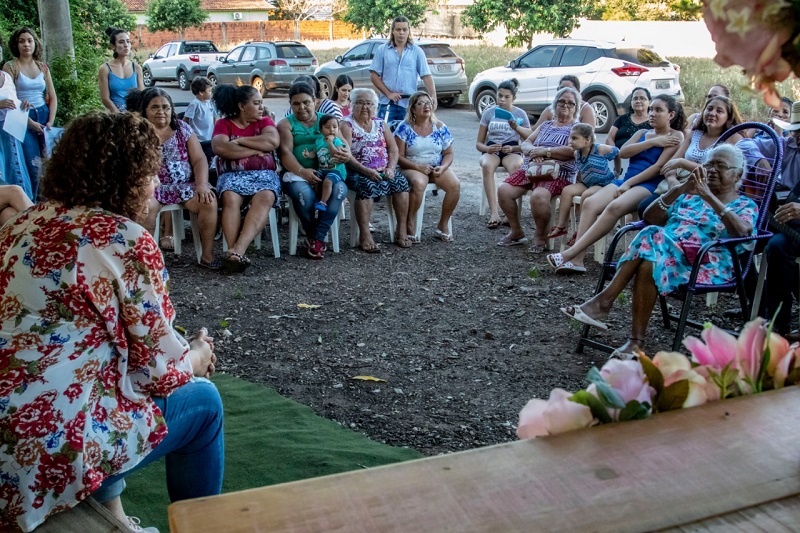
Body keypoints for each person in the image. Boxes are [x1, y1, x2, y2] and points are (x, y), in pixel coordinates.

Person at [0, 111, 222, 533]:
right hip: (41, 444)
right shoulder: (124, 238)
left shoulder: (21, 225)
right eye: (150, 174)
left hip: (12, 416)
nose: (156, 183)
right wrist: (195, 357)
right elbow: (159, 371)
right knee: (204, 403)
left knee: (102, 379)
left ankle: (115, 516)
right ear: (129, 177)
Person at [560, 144, 757, 358]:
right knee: (649, 257)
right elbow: (651, 217)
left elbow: (744, 232)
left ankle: (604, 302)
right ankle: (635, 343)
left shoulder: (745, 205)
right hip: (666, 255)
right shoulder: (689, 196)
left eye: (720, 165)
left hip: (705, 263)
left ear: (737, 174)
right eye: (709, 164)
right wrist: (679, 190)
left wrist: (709, 197)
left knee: (654, 238)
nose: (712, 170)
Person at [546, 95, 685, 273]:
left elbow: (658, 167)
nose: (652, 113)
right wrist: (653, 142)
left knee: (614, 207)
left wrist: (629, 184)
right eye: (651, 109)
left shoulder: (676, 136)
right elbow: (624, 152)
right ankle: (577, 261)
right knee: (590, 203)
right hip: (625, 181)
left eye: (659, 110)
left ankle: (570, 253)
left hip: (647, 184)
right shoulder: (642, 133)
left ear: (671, 114)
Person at [126, 88, 220, 270]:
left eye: (165, 107)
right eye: (154, 107)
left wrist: (201, 184)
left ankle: (207, 256)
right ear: (144, 109)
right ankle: (146, 261)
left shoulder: (182, 128)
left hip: (184, 185)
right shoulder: (138, 132)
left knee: (208, 200)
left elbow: (200, 159)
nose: (161, 111)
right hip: (152, 187)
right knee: (145, 207)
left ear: (171, 110)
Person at [496, 87, 580, 252]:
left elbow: (573, 151)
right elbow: (527, 141)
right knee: (504, 190)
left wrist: (546, 152)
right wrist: (532, 151)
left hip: (558, 173)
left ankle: (540, 236)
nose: (566, 105)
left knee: (539, 196)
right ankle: (517, 232)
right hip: (532, 169)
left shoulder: (576, 128)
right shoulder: (546, 125)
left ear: (576, 108)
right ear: (555, 104)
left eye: (571, 103)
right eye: (562, 101)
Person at [211, 84, 281, 271]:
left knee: (266, 195)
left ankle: (238, 250)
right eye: (256, 103)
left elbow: (272, 141)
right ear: (242, 106)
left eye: (261, 103)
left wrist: (240, 141)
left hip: (264, 175)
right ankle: (234, 254)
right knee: (229, 197)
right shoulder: (224, 124)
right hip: (232, 175)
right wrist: (257, 149)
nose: (261, 107)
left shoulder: (264, 121)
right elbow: (221, 148)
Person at [278, 82, 349, 259]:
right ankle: (315, 237)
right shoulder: (286, 124)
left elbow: (345, 144)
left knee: (339, 191)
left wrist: (345, 154)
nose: (302, 107)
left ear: (314, 100)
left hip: (330, 172)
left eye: (306, 102)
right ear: (290, 104)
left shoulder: (327, 120)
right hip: (297, 174)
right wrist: (303, 172)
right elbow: (285, 154)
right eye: (296, 103)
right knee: (305, 196)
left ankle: (316, 238)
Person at [340, 87, 410, 251]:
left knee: (401, 183)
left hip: (383, 170)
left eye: (369, 103)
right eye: (360, 103)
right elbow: (346, 155)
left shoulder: (381, 124)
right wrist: (365, 170)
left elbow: (393, 150)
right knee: (365, 186)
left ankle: (401, 229)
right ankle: (365, 234)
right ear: (352, 105)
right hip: (357, 171)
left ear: (375, 107)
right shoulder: (346, 124)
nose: (365, 107)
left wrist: (391, 168)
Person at [395, 91, 460, 241]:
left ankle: (442, 224)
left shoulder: (440, 127)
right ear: (412, 108)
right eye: (421, 103)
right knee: (419, 182)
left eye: (428, 103)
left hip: (436, 166)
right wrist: (417, 167)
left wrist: (443, 167)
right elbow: (398, 156)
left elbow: (449, 153)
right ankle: (409, 221)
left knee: (454, 185)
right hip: (410, 166)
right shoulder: (404, 127)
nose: (426, 106)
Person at [3, 27, 57, 198]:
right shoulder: (10, 66)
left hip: (44, 115)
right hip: (23, 117)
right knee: (31, 164)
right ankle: (31, 204)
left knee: (49, 163)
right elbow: (8, 96)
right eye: (22, 41)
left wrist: (50, 123)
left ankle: (47, 202)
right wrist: (30, 122)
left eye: (29, 40)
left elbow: (53, 97)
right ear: (16, 45)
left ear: (35, 43)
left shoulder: (43, 67)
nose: (26, 44)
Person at [546, 122, 619, 241]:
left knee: (586, 195)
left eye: (574, 138)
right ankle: (561, 226)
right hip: (587, 183)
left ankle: (581, 231)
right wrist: (580, 178)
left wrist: (617, 171)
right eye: (570, 137)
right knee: (567, 190)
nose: (570, 141)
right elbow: (581, 167)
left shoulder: (599, 149)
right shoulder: (577, 153)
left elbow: (617, 152)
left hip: (603, 184)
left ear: (587, 139)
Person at [475, 78, 529, 229]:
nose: (502, 100)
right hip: (492, 148)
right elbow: (479, 144)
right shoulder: (489, 113)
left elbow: (529, 142)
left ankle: (510, 212)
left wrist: (514, 148)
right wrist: (487, 149)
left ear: (513, 98)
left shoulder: (520, 114)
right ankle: (494, 212)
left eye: (506, 97)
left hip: (511, 149)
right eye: (500, 96)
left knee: (516, 167)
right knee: (486, 165)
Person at [370, 16, 436, 122]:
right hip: (387, 104)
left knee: (407, 136)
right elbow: (374, 75)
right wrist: (389, 94)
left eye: (404, 29)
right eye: (398, 29)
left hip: (408, 105)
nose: (401, 33)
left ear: (408, 31)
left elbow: (426, 75)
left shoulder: (417, 51)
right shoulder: (382, 50)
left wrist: (433, 96)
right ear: (393, 31)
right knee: (385, 136)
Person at [0, 53, 34, 201]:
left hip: (11, 130)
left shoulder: (6, 76)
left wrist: (23, 105)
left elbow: (14, 101)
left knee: (17, 169)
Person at [303, 114, 348, 212]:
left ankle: (323, 202)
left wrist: (330, 143)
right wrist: (308, 155)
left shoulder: (337, 141)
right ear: (321, 129)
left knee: (327, 182)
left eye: (334, 127)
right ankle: (317, 198)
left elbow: (335, 154)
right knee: (314, 179)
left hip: (336, 170)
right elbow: (315, 153)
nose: (331, 130)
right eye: (327, 127)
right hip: (323, 169)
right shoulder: (318, 141)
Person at [606, 88, 652, 178]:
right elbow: (609, 138)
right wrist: (616, 154)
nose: (638, 101)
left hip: (639, 161)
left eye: (642, 98)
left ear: (650, 102)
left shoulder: (653, 121)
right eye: (635, 98)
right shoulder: (622, 119)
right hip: (618, 160)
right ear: (631, 102)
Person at [98, 27, 143, 113]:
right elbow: (105, 98)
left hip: (134, 115)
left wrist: (135, 115)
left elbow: (141, 96)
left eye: (128, 41)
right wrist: (118, 115)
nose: (126, 45)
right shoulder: (105, 69)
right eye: (121, 42)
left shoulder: (136, 68)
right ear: (113, 46)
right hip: (114, 115)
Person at [530, 75, 595, 131]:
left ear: (577, 91)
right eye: (561, 89)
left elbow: (587, 138)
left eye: (568, 89)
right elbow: (533, 132)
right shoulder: (550, 109)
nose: (564, 91)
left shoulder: (586, 109)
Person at [183, 76, 218, 161]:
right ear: (201, 92)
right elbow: (185, 120)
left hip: (210, 137)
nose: (211, 93)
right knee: (205, 157)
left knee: (213, 155)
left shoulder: (210, 103)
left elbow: (214, 118)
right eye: (209, 91)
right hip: (199, 139)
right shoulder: (195, 104)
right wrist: (188, 135)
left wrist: (216, 132)